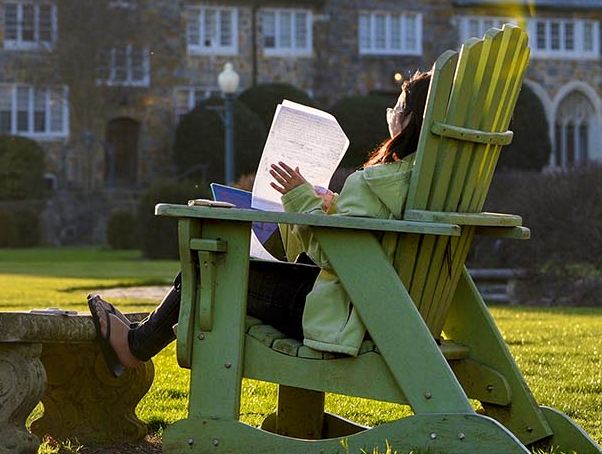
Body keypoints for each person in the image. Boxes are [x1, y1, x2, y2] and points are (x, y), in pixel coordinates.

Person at [88, 70, 432, 372]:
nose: (390, 116)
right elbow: (377, 235)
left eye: (397, 109)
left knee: (207, 267)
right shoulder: (417, 181)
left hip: (340, 316)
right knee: (206, 267)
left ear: (411, 120)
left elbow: (338, 254)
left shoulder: (374, 181)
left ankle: (134, 347)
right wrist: (334, 205)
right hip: (377, 309)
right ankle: (139, 337)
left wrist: (301, 199)